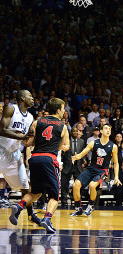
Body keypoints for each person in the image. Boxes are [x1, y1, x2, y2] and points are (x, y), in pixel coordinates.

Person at [9, 98, 70, 233]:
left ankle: (19, 206)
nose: (64, 111)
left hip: (35, 159)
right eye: (63, 108)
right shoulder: (63, 126)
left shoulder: (37, 122)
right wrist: (55, 146)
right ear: (58, 110)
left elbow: (28, 143)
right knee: (54, 196)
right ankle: (47, 220)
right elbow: (65, 146)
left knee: (35, 192)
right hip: (49, 159)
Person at [0, 90, 38, 223]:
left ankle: (30, 214)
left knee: (25, 187)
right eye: (30, 96)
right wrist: (21, 136)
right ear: (22, 98)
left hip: (14, 154)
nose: (33, 99)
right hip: (1, 149)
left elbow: (26, 141)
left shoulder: (30, 117)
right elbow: (2, 129)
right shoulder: (11, 108)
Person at [70, 124, 121, 217]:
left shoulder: (113, 146)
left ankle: (90, 206)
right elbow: (83, 153)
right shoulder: (93, 143)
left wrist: (116, 177)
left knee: (92, 185)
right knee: (75, 185)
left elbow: (116, 163)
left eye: (109, 129)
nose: (108, 130)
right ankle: (78, 209)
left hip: (102, 171)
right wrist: (77, 157)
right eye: (106, 128)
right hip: (91, 168)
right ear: (101, 131)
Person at [60, 127, 86, 206]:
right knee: (64, 184)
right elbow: (61, 154)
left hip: (77, 165)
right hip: (67, 165)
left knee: (80, 183)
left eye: (76, 131)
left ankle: (74, 197)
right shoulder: (66, 141)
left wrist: (84, 159)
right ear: (70, 132)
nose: (75, 132)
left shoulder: (82, 141)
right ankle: (64, 201)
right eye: (73, 131)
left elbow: (82, 151)